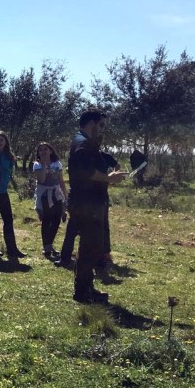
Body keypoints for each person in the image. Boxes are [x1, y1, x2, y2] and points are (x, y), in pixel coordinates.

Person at [69, 109, 127, 303]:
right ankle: (83, 292)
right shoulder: (82, 142)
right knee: (91, 247)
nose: (102, 130)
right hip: (87, 204)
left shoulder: (83, 141)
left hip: (89, 203)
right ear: (91, 123)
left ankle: (85, 288)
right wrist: (108, 178)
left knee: (89, 247)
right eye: (100, 125)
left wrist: (109, 165)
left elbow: (95, 159)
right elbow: (85, 170)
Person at [0, 130, 25, 258]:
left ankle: (12, 249)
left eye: (1, 140)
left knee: (8, 221)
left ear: (6, 142)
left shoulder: (9, 156)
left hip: (3, 192)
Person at [33, 142, 67, 260]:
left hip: (56, 193)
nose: (43, 152)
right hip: (44, 194)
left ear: (51, 151)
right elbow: (41, 180)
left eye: (45, 149)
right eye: (40, 150)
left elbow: (61, 180)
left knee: (57, 219)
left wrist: (65, 197)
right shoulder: (37, 165)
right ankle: (46, 247)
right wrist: (43, 165)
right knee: (47, 219)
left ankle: (49, 244)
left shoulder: (57, 164)